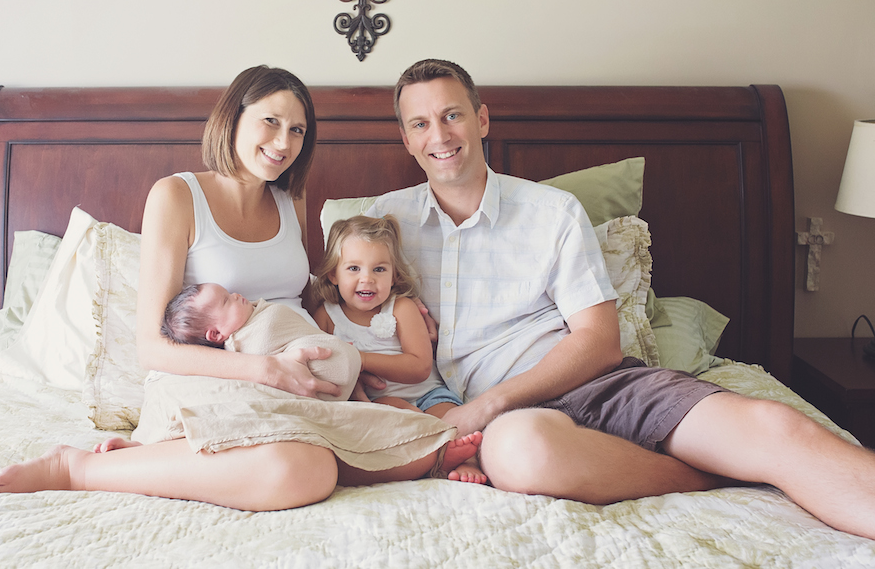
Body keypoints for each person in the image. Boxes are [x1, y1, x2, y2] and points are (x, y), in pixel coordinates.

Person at [365, 57, 875, 540]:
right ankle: (702, 476)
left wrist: (485, 405)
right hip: (508, 428)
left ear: (481, 119)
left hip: (592, 383)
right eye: (420, 123)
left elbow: (600, 341)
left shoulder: (552, 212)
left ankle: (746, 458)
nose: (440, 135)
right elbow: (331, 314)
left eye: (452, 115)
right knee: (521, 455)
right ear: (407, 139)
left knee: (769, 425)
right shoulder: (381, 226)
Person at [0, 65, 477, 510]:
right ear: (233, 118)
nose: (284, 143)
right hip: (214, 376)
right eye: (271, 122)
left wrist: (353, 356)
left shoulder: (288, 200)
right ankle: (76, 469)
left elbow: (299, 306)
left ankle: (176, 460)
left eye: (297, 130)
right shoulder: (176, 196)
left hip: (291, 375)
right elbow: (151, 346)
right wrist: (262, 369)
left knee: (423, 448)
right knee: (303, 470)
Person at [311, 214, 486, 484]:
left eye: (379, 269)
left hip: (429, 394)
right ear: (333, 273)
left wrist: (361, 359)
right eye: (353, 268)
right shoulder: (326, 316)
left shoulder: (401, 307)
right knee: (393, 411)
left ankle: (465, 459)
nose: (367, 279)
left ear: (394, 276)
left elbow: (419, 367)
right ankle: (435, 456)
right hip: (379, 402)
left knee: (454, 423)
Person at [158, 282, 361, 401]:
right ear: (216, 334)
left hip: (340, 366)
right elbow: (267, 338)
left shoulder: (253, 316)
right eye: (226, 301)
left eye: (229, 294)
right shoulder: (242, 346)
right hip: (322, 379)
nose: (236, 295)